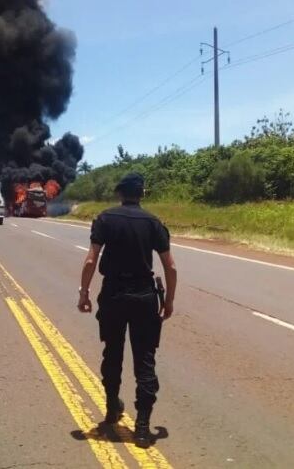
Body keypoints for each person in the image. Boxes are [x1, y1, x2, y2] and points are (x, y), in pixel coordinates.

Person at [77, 172, 177, 448]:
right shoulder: (154, 223)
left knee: (113, 351)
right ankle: (143, 427)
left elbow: (90, 261)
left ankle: (111, 406)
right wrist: (168, 301)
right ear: (142, 194)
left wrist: (84, 293)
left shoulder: (105, 219)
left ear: (120, 193)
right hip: (145, 297)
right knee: (145, 359)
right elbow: (171, 267)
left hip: (113, 295)